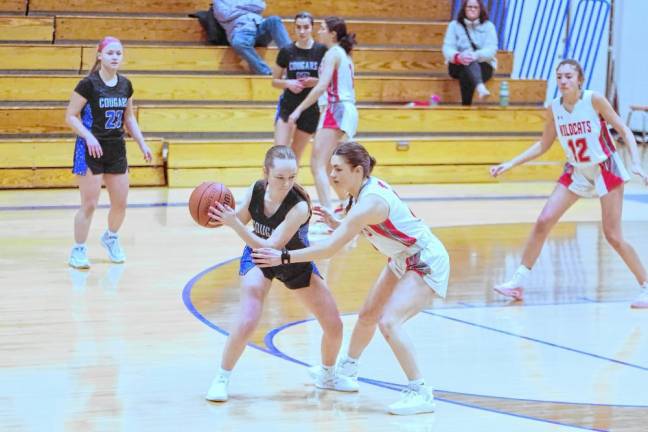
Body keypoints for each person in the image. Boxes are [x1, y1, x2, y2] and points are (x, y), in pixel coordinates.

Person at [252, 142, 450, 415]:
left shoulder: (369, 202)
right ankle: (346, 370)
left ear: (357, 170)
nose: (331, 175)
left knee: (389, 322)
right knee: (367, 315)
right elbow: (363, 227)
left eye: (337, 169)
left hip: (425, 259)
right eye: (331, 168)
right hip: (402, 257)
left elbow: (331, 249)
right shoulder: (357, 194)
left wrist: (284, 257)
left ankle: (421, 392)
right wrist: (338, 224)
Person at [490, 59, 648, 309]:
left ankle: (646, 285)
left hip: (605, 168)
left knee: (613, 236)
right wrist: (511, 163)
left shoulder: (593, 100)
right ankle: (518, 282)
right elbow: (543, 145)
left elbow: (624, 130)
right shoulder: (554, 108)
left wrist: (636, 163)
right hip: (576, 170)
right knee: (544, 221)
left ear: (580, 80)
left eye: (568, 77)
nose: (563, 81)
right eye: (560, 76)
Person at [204, 145, 357, 402]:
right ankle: (222, 377)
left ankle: (328, 375)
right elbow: (240, 219)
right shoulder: (255, 189)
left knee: (334, 325)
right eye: (280, 177)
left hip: (293, 260)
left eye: (292, 177)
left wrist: (234, 224)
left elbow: (271, 245)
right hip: (258, 257)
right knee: (249, 317)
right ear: (266, 172)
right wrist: (217, 215)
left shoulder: (299, 206)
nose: (286, 183)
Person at [65, 36, 152, 269]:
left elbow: (129, 117)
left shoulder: (126, 85)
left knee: (120, 203)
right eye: (110, 53)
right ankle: (78, 250)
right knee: (89, 204)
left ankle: (111, 237)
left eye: (119, 53)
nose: (115, 57)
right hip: (90, 150)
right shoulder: (88, 84)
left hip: (116, 150)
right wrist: (89, 136)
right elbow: (71, 116)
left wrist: (142, 144)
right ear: (99, 55)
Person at [286, 16, 358, 234]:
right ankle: (349, 208)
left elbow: (322, 87)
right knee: (329, 167)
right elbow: (328, 83)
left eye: (323, 28)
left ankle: (329, 216)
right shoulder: (342, 54)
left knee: (317, 163)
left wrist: (298, 109)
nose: (319, 32)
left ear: (333, 34)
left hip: (336, 109)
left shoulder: (332, 53)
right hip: (345, 109)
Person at [272, 12, 327, 163]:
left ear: (312, 28)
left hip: (310, 108)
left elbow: (327, 81)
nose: (302, 31)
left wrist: (314, 81)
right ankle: (270, 186)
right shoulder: (286, 51)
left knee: (296, 155)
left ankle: (291, 187)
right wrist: (288, 83)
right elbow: (274, 81)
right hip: (288, 106)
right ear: (294, 28)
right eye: (298, 27)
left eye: (306, 27)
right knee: (279, 153)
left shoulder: (321, 51)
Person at [213, 0, 291, 75]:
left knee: (274, 20)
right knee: (238, 42)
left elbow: (261, 6)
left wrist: (236, 8)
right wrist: (249, 7)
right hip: (241, 31)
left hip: (258, 27)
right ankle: (266, 71)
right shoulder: (219, 1)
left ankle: (294, 60)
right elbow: (225, 15)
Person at [442, 0, 498, 105]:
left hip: (483, 64)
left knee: (466, 72)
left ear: (480, 10)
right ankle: (480, 87)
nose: (472, 9)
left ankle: (466, 106)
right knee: (466, 63)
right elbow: (447, 48)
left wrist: (475, 55)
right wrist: (458, 57)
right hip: (457, 64)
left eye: (475, 7)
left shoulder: (489, 26)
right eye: (469, 7)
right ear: (464, 9)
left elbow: (491, 49)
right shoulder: (454, 25)